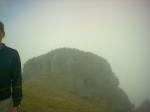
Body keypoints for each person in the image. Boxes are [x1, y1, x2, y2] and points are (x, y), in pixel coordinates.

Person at [0, 21, 22, 112]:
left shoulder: (12, 54)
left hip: (4, 102)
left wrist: (16, 104)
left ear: (3, 34)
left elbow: (17, 80)